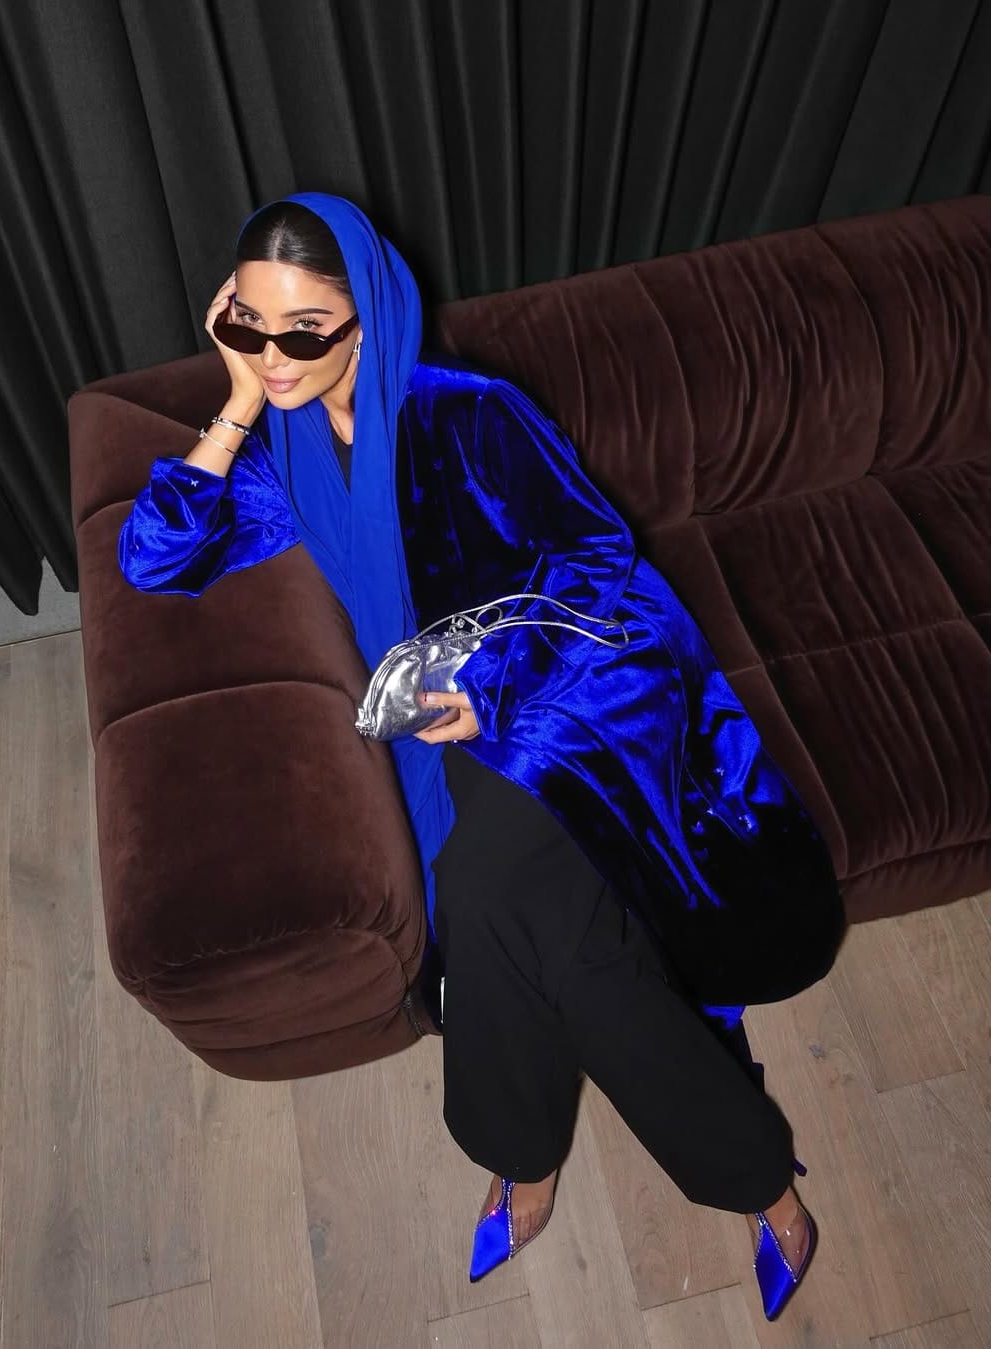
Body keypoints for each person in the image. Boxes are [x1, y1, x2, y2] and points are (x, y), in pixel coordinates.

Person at [118, 193, 845, 1322]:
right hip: (439, 736)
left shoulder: (464, 412)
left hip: (564, 707)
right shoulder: (290, 445)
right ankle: (741, 1177)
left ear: (370, 315)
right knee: (544, 935)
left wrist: (489, 685)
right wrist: (234, 401)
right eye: (248, 325)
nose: (276, 355)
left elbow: (603, 565)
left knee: (499, 894)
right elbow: (154, 557)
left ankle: (552, 1162)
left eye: (304, 329)